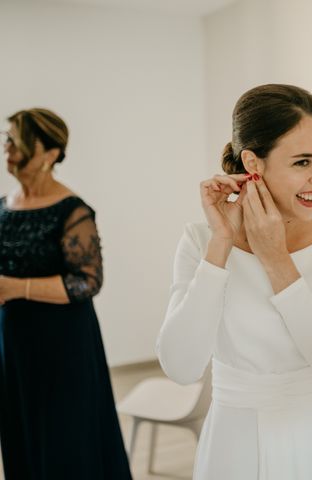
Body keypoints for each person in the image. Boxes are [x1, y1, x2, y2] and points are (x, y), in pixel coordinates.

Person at [157, 84, 312, 479]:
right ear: (254, 163)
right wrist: (221, 244)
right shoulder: (201, 241)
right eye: (302, 162)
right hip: (233, 443)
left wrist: (276, 260)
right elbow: (181, 367)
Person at [0, 108, 132, 479]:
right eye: (7, 139)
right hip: (13, 342)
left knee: (65, 442)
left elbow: (88, 281)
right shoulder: (3, 207)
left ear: (49, 153)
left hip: (62, 344)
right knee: (20, 434)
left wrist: (14, 287)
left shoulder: (72, 212)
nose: (8, 149)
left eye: (18, 141)